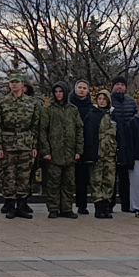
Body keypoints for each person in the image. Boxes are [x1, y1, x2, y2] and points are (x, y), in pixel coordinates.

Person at [0, 74, 40, 219]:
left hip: (25, 142)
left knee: (24, 176)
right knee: (9, 176)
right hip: (8, 142)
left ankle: (22, 205)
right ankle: (10, 205)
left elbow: (35, 126)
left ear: (23, 85)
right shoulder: (2, 102)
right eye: (11, 82)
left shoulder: (31, 103)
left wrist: (34, 146)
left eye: (17, 82)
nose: (14, 85)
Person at [40, 81, 82, 219]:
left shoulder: (73, 109)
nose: (58, 94)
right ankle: (53, 208)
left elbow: (79, 130)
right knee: (53, 182)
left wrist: (78, 150)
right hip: (54, 153)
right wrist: (46, 151)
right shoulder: (48, 109)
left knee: (69, 182)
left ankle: (67, 208)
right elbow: (43, 131)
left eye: (61, 91)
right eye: (56, 91)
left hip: (70, 153)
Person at [108, 76, 137, 213]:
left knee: (125, 176)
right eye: (117, 84)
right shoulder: (108, 100)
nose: (119, 87)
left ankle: (126, 204)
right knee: (111, 175)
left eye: (122, 84)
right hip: (112, 141)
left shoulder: (131, 102)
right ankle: (109, 204)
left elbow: (135, 118)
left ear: (125, 87)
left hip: (127, 142)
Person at [89, 90, 118, 219]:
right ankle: (98, 206)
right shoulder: (92, 114)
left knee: (109, 180)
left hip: (110, 154)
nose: (101, 101)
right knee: (97, 180)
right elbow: (89, 134)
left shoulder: (113, 115)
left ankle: (107, 206)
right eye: (99, 98)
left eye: (104, 99)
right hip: (97, 153)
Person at [71, 80, 95, 215]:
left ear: (88, 91)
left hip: (86, 145)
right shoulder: (69, 105)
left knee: (83, 177)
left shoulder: (91, 107)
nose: (81, 90)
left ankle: (82, 205)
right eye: (79, 87)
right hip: (70, 144)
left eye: (84, 88)